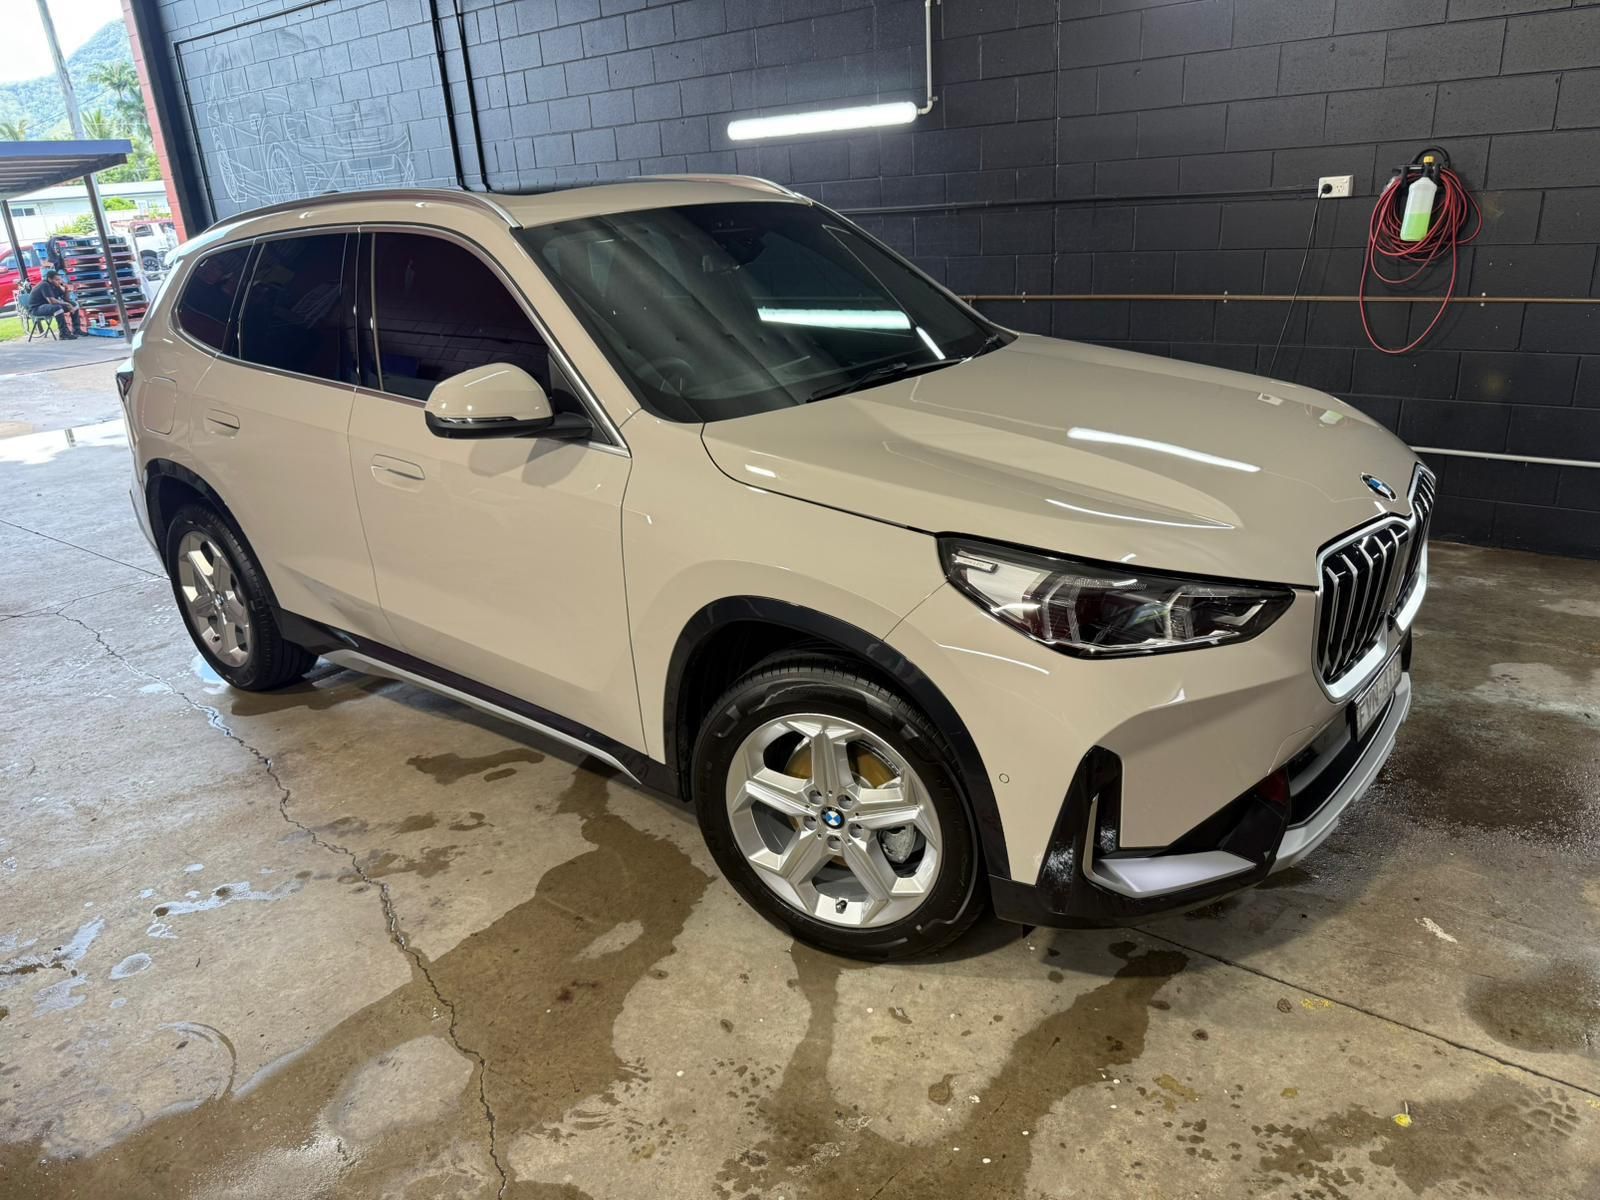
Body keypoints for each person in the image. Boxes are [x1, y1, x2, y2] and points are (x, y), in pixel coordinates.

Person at [28, 270, 87, 340]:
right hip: (36, 308)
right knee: (57, 308)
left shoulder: (55, 285)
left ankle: (76, 329)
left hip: (48, 306)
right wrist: (67, 304)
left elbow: (66, 299)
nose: (59, 281)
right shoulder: (44, 285)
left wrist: (66, 290)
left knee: (74, 305)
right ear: (50, 279)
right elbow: (52, 301)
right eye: (57, 280)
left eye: (60, 279)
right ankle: (63, 333)